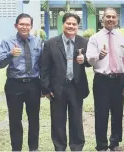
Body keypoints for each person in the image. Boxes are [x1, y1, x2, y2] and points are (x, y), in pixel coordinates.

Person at [40, 13, 90, 151]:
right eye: (68, 23)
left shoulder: (84, 42)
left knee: (76, 120)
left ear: (78, 26)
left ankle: (77, 146)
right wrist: (45, 88)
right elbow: (44, 68)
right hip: (57, 88)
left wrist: (85, 60)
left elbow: (90, 63)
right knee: (58, 121)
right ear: (63, 24)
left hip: (76, 87)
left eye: (74, 24)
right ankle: (60, 147)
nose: (71, 26)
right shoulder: (51, 43)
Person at [0, 13, 42, 151]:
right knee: (15, 120)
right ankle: (16, 149)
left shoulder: (38, 42)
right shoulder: (7, 42)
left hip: (33, 84)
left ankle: (33, 148)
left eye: (27, 24)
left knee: (34, 119)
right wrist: (10, 54)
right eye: (21, 24)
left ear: (31, 26)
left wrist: (45, 86)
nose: (24, 27)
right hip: (14, 84)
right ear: (16, 25)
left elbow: (43, 64)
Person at [86, 8, 124, 151]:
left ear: (116, 19)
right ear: (102, 19)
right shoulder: (95, 38)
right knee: (101, 114)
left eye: (113, 17)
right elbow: (89, 60)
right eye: (107, 17)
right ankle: (102, 145)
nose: (110, 19)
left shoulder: (122, 37)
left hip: (119, 80)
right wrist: (99, 55)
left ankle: (115, 143)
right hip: (102, 81)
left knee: (118, 113)